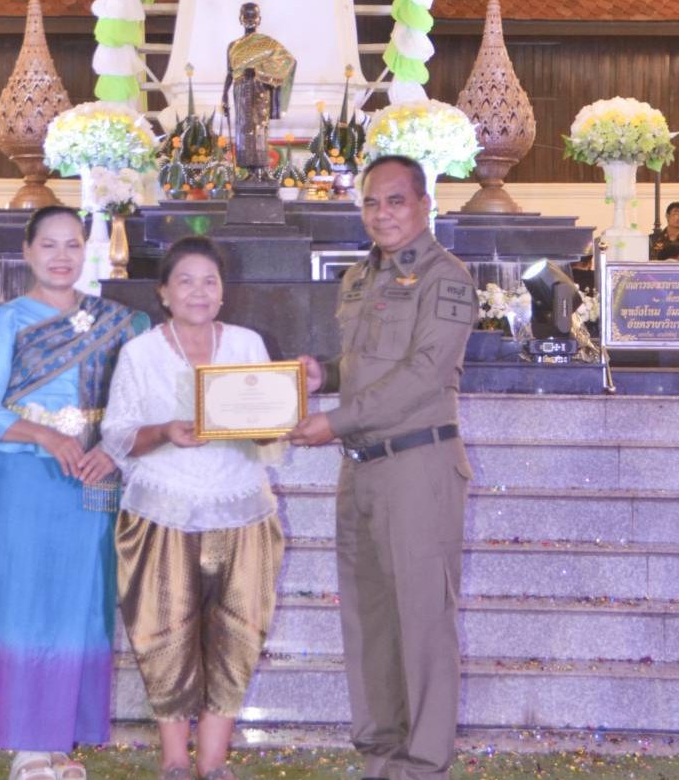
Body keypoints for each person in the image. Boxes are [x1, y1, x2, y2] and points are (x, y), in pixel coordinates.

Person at [287, 155, 477, 780]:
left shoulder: (446, 279)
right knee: (368, 620)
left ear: (424, 205)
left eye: (395, 201)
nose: (382, 214)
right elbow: (366, 365)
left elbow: (423, 375)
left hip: (416, 464)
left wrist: (335, 421)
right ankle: (381, 754)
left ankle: (422, 765)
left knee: (423, 624)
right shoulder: (358, 278)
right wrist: (324, 375)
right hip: (362, 468)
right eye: (371, 202)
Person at [0, 205, 148, 780]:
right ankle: (27, 745)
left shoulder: (117, 321)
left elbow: (140, 401)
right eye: (49, 244)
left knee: (81, 604)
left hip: (92, 476)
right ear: (27, 251)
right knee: (24, 601)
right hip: (25, 475)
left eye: (72, 244)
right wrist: (44, 434)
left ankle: (60, 739)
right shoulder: (7, 320)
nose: (61, 256)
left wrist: (112, 451)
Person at [101, 236, 285, 780]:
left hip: (242, 511)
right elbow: (117, 435)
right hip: (161, 512)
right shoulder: (140, 354)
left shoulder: (247, 344)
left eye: (209, 281)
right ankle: (176, 761)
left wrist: (273, 419)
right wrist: (164, 431)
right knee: (164, 635)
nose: (198, 292)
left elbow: (271, 427)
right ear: (164, 292)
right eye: (185, 281)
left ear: (223, 292)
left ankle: (213, 762)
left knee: (238, 634)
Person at [220, 2, 296, 176]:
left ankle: (260, 171)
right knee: (243, 130)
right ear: (240, 19)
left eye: (253, 16)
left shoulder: (268, 44)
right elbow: (230, 73)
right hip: (240, 92)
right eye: (246, 16)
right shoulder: (233, 46)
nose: (250, 19)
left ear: (259, 19)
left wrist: (258, 71)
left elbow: (287, 61)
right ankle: (248, 172)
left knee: (259, 129)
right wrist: (224, 96)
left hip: (260, 92)